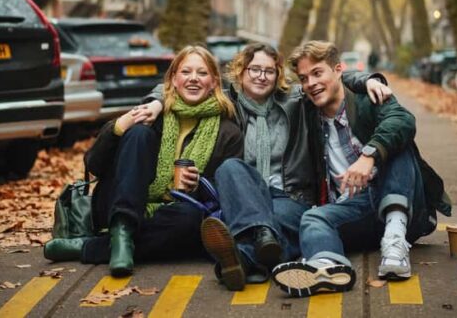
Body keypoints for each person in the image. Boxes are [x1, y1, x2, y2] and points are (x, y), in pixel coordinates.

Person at [139, 43, 393, 290]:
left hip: (290, 198)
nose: (261, 76)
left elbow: (330, 77)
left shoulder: (296, 100)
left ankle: (244, 259)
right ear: (241, 71)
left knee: (274, 220)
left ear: (277, 75)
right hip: (244, 199)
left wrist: (368, 79)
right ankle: (261, 239)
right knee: (229, 168)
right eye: (254, 69)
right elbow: (179, 86)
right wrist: (155, 102)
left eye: (269, 71)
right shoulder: (227, 103)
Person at [43, 45, 243, 277]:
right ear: (173, 79)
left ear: (214, 82)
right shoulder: (152, 114)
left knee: (191, 221)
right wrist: (120, 125)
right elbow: (94, 164)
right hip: (119, 203)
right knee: (139, 133)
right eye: (186, 72)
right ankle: (122, 227)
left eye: (202, 73)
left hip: (171, 215)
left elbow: (224, 192)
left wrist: (201, 184)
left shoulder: (228, 132)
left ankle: (91, 246)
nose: (193, 79)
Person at [271, 41, 451, 297]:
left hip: (398, 199)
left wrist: (370, 155)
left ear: (337, 70)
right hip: (352, 209)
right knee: (312, 217)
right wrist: (363, 78)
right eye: (304, 78)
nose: (311, 83)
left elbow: (403, 121)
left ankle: (395, 244)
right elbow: (257, 90)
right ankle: (328, 267)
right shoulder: (306, 111)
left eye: (317, 73)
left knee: (398, 145)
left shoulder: (370, 98)